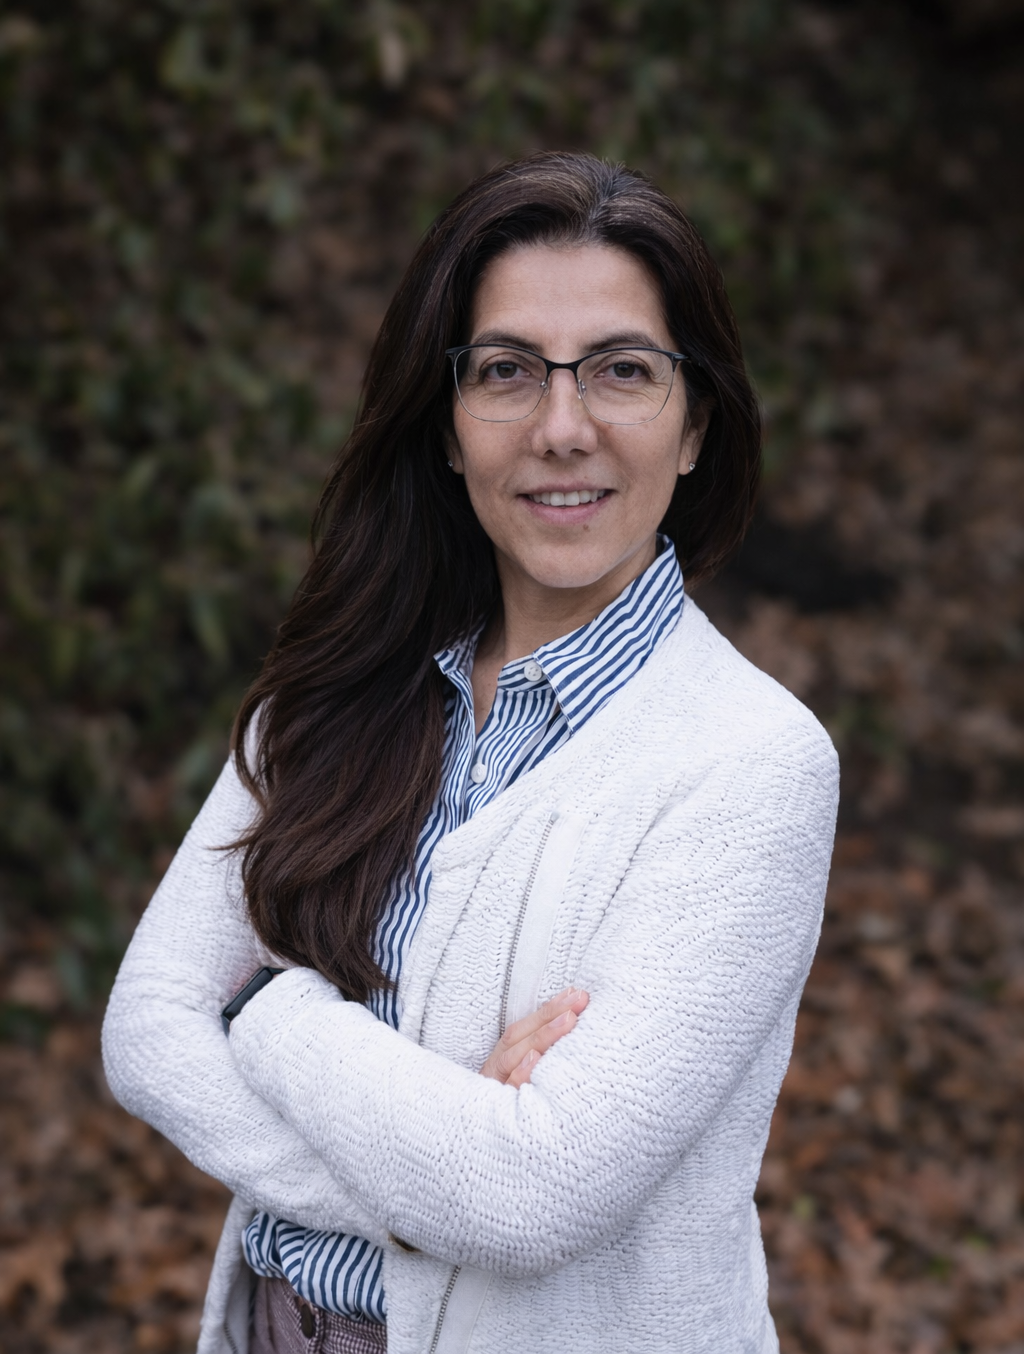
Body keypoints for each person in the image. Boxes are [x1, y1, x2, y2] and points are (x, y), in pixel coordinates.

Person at [103, 152, 838, 1354]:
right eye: (505, 372)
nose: (561, 428)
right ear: (447, 429)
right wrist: (443, 1166)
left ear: (695, 423)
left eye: (621, 371)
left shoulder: (753, 765)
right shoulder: (336, 688)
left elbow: (533, 1192)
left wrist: (267, 1010)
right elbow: (146, 1030)